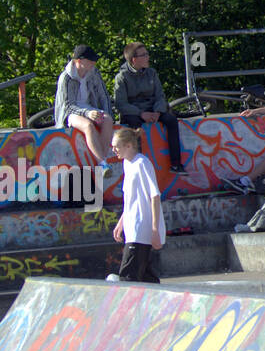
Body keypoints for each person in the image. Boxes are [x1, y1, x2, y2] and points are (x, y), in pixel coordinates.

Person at [113, 43, 185, 174]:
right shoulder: (122, 77)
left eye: (147, 54)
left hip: (152, 109)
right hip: (134, 112)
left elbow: (160, 96)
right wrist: (141, 114)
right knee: (134, 125)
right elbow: (121, 104)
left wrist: (158, 111)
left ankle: (176, 164)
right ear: (134, 60)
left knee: (171, 120)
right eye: (144, 55)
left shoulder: (152, 73)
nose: (148, 57)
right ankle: (137, 164)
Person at [110, 127, 165, 282]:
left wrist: (155, 229)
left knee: (128, 275)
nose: (114, 150)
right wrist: (121, 222)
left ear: (129, 145)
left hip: (141, 229)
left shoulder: (142, 163)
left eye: (117, 146)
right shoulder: (127, 164)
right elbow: (131, 199)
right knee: (146, 276)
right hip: (131, 226)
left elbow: (154, 196)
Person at [54, 45, 115, 167]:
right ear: (79, 61)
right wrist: (87, 114)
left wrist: (107, 113)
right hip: (71, 113)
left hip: (90, 108)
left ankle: (102, 162)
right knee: (88, 126)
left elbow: (104, 95)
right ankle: (102, 163)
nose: (94, 63)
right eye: (90, 60)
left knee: (108, 120)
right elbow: (68, 106)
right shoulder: (66, 78)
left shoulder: (94, 73)